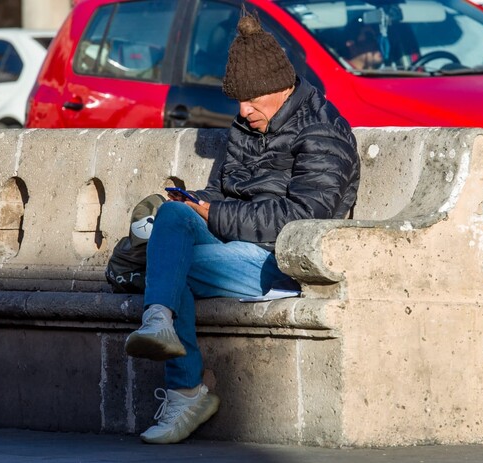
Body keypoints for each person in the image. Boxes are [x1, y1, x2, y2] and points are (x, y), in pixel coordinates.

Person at [124, 9, 360, 445]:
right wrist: (195, 202)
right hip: (235, 243)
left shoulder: (324, 134)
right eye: (238, 101)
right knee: (173, 218)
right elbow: (223, 192)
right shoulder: (248, 126)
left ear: (281, 88)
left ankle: (186, 389)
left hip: (281, 261)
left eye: (251, 101)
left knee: (164, 266)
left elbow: (300, 220)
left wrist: (214, 215)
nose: (243, 111)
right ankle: (157, 321)